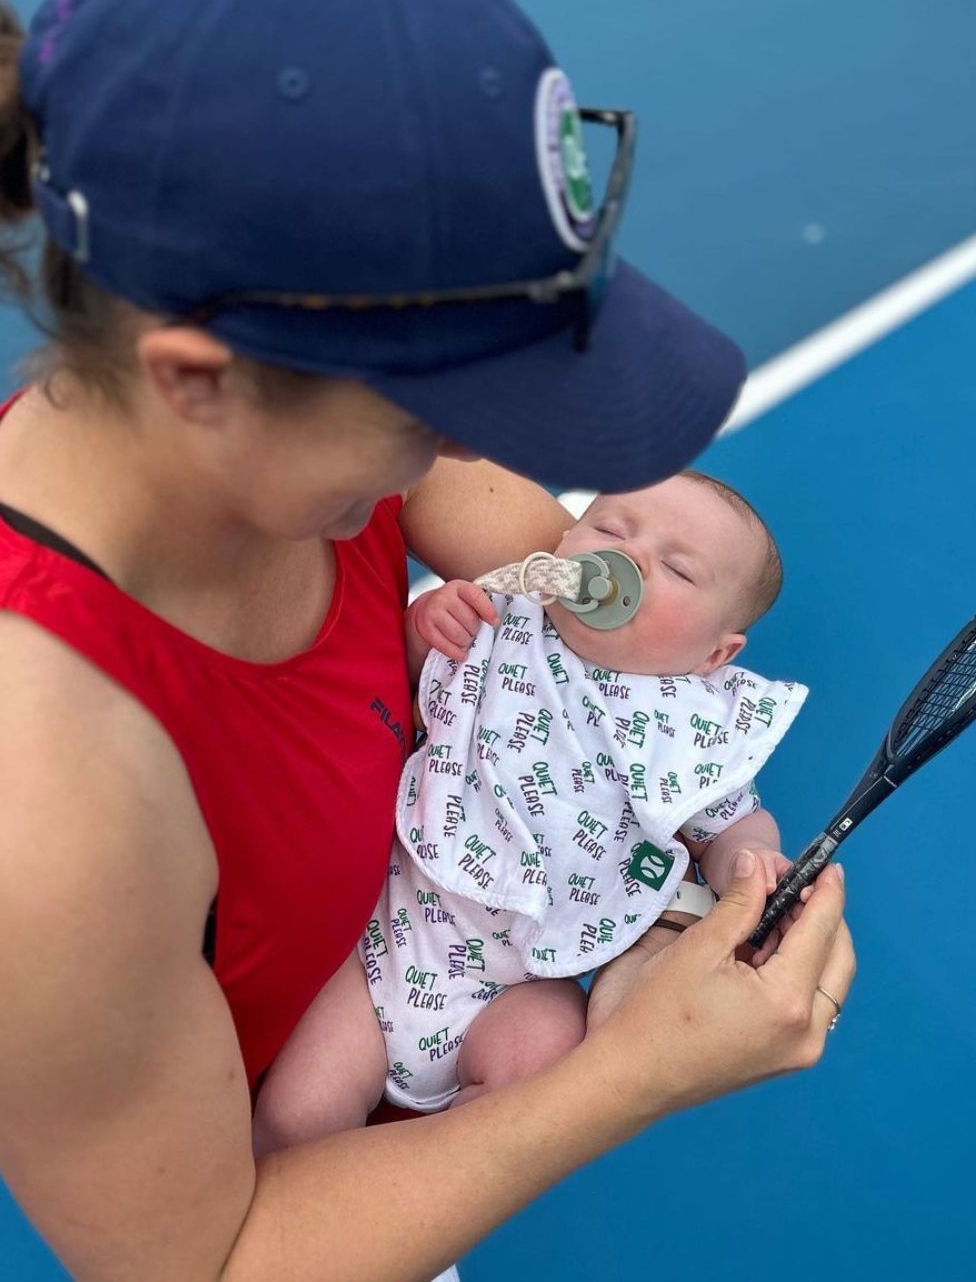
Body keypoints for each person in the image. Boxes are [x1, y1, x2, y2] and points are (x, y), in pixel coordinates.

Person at [0, 0, 853, 1282]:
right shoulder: (31, 803)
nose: (478, 457)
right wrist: (628, 1075)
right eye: (438, 410)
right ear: (199, 384)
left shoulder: (310, 451)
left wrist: (681, 876)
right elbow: (204, 1262)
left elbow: (597, 627)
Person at [252, 469, 807, 1144]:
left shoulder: (692, 730)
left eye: (677, 569)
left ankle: (427, 1202)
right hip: (387, 932)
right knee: (298, 1114)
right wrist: (426, 628)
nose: (630, 557)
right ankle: (317, 1206)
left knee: (540, 1067)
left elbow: (732, 820)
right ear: (565, 540)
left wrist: (749, 863)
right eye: (610, 528)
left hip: (524, 979)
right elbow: (403, 681)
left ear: (716, 653)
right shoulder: (501, 618)